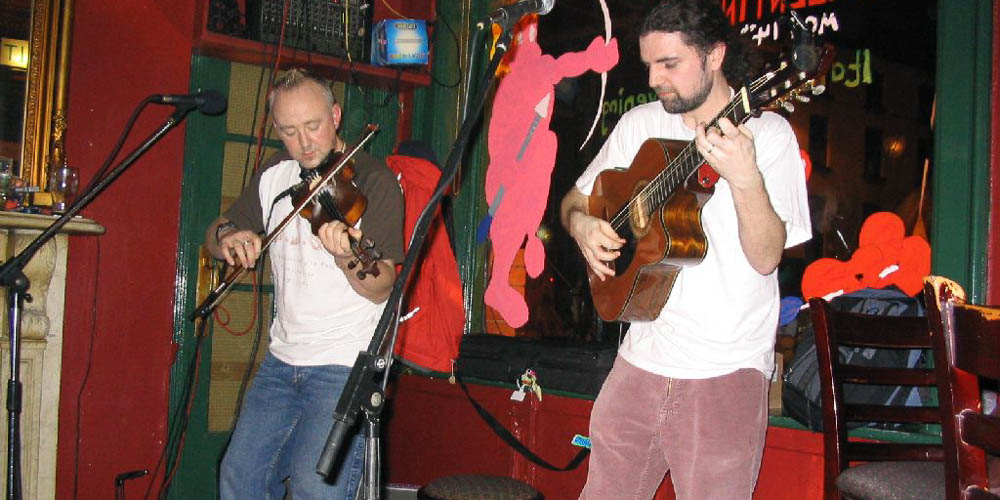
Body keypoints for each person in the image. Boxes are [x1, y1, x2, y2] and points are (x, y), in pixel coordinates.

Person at [559, 2, 811, 499]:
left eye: (669, 64)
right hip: (639, 361)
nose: (654, 78)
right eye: (649, 64)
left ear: (714, 55)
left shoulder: (768, 135)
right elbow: (575, 198)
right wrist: (582, 224)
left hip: (725, 373)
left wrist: (745, 180)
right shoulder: (638, 124)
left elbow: (766, 258)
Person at [206, 68, 404, 499]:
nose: (305, 142)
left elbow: (383, 284)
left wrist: (346, 256)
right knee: (239, 479)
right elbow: (217, 229)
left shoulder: (373, 182)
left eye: (314, 126)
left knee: (318, 488)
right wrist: (228, 237)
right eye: (291, 132)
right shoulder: (275, 175)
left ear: (335, 115)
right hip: (282, 361)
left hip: (344, 362)